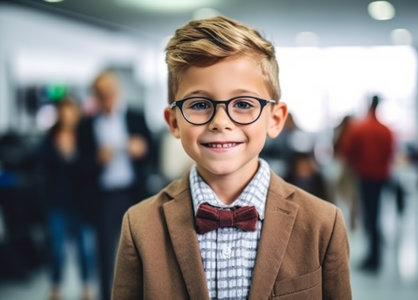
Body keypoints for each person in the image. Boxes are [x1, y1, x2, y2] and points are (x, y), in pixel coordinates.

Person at [111, 16, 351, 299]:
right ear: (174, 122)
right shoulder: (139, 225)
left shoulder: (323, 223)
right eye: (199, 104)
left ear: (275, 119)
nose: (221, 122)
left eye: (243, 104)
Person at [77, 70, 152, 300]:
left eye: (109, 90)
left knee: (141, 248)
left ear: (117, 90)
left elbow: (152, 150)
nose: (106, 95)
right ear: (96, 96)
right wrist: (97, 160)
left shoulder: (135, 116)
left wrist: (142, 148)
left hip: (133, 192)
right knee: (105, 252)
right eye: (101, 92)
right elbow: (81, 164)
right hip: (104, 195)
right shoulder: (87, 124)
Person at [38, 98, 95, 300]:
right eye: (64, 110)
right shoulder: (50, 137)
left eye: (71, 110)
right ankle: (56, 286)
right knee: (56, 248)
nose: (67, 115)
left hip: (81, 202)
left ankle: (87, 286)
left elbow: (90, 167)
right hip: (57, 201)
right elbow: (42, 165)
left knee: (86, 249)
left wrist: (71, 156)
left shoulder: (85, 136)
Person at [341, 95, 394, 272]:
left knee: (370, 217)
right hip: (381, 177)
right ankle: (375, 255)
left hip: (365, 176)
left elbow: (348, 152)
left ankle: (374, 258)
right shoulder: (386, 130)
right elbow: (390, 154)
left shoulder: (360, 128)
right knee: (376, 214)